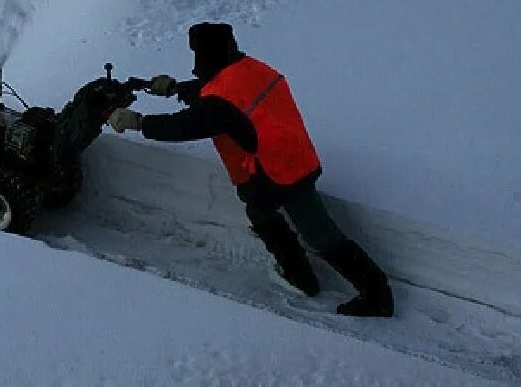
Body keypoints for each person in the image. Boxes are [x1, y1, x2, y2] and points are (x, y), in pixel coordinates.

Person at [107, 22, 394, 318]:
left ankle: (371, 294)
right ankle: (306, 278)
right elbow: (226, 94)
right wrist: (175, 88)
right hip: (296, 155)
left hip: (275, 170)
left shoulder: (220, 97)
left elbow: (191, 123)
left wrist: (138, 122)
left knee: (315, 233)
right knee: (269, 214)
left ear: (203, 55)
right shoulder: (251, 68)